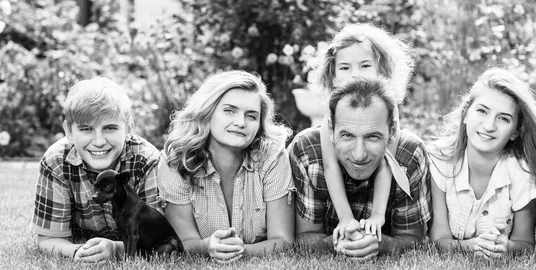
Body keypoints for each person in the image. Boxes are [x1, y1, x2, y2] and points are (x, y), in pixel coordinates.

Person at [428, 67, 536, 259]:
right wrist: (472, 246)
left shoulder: (523, 174)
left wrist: (506, 246)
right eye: (482, 111)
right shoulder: (439, 160)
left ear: (515, 131)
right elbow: (439, 239)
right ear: (465, 114)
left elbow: (525, 243)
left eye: (503, 119)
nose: (489, 126)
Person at [158, 70, 294, 263]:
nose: (240, 123)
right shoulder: (176, 162)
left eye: (251, 116)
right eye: (229, 111)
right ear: (208, 112)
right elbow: (184, 241)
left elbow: (283, 241)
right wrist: (207, 246)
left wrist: (243, 251)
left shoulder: (273, 157)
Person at [289, 78, 432, 259]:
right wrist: (335, 243)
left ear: (392, 131)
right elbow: (303, 238)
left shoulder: (410, 154)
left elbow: (414, 239)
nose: (359, 155)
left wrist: (381, 244)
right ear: (331, 130)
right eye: (347, 135)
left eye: (372, 137)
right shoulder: (307, 151)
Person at [31, 77, 162, 262]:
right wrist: (79, 252)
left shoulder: (147, 161)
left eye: (109, 128)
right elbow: (48, 239)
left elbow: (157, 236)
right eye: (86, 129)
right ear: (69, 130)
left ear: (129, 128)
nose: (99, 141)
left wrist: (116, 249)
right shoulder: (56, 162)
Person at [313, 23, 414, 243]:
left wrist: (377, 216)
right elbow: (330, 166)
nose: (355, 74)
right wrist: (345, 217)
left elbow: (387, 164)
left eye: (365, 65)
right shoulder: (333, 111)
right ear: (333, 75)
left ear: (382, 71)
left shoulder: (388, 108)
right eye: (345, 68)